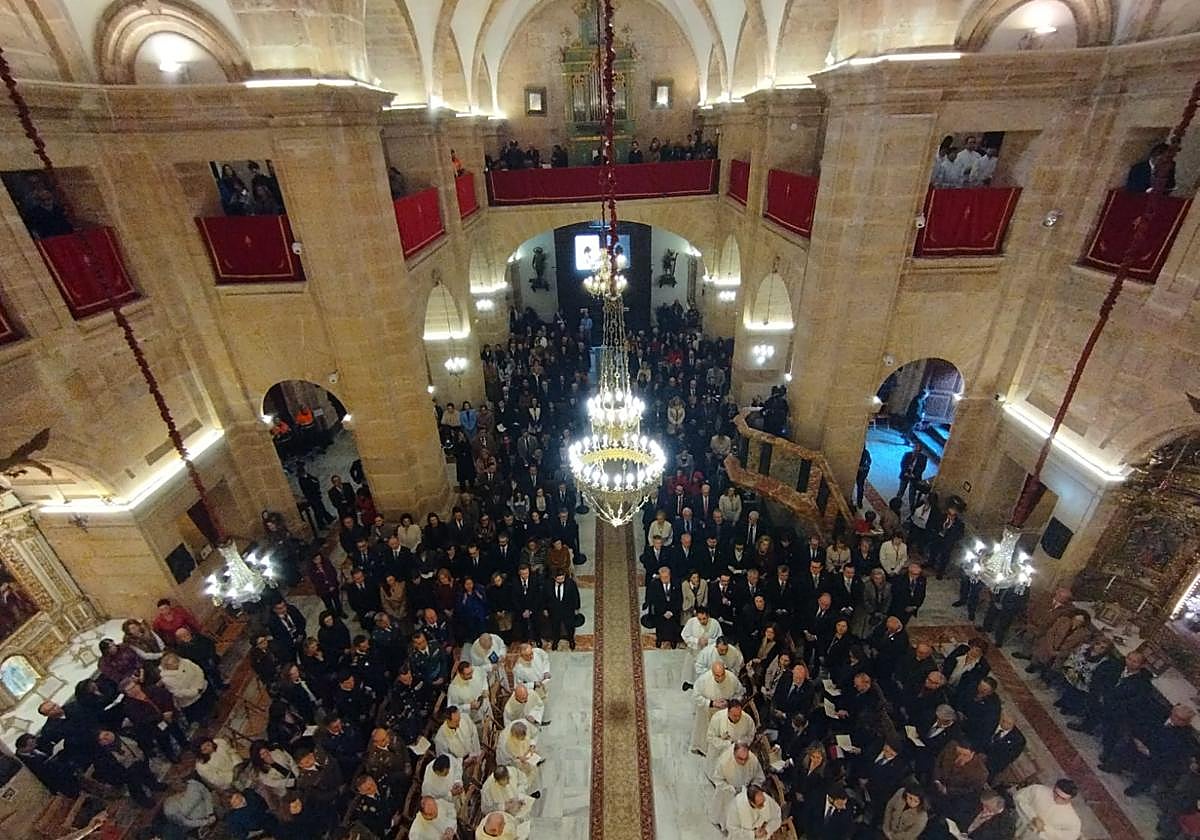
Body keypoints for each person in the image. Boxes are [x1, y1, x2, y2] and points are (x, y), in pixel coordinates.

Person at [707, 742, 766, 830]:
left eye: (746, 759)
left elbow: (759, 776)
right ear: (734, 754)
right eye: (740, 759)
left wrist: (753, 788)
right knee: (723, 812)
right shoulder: (725, 761)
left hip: (744, 794)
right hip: (727, 793)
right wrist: (731, 789)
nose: (744, 762)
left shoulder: (753, 760)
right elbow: (718, 779)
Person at [1014, 779, 1082, 840]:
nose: (1057, 799)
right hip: (1015, 825)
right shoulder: (1038, 790)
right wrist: (1032, 816)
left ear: (1070, 799)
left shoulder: (1073, 820)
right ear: (1054, 787)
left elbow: (1068, 837)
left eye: (1063, 799)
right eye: (1056, 793)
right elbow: (1018, 797)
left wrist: (1044, 828)